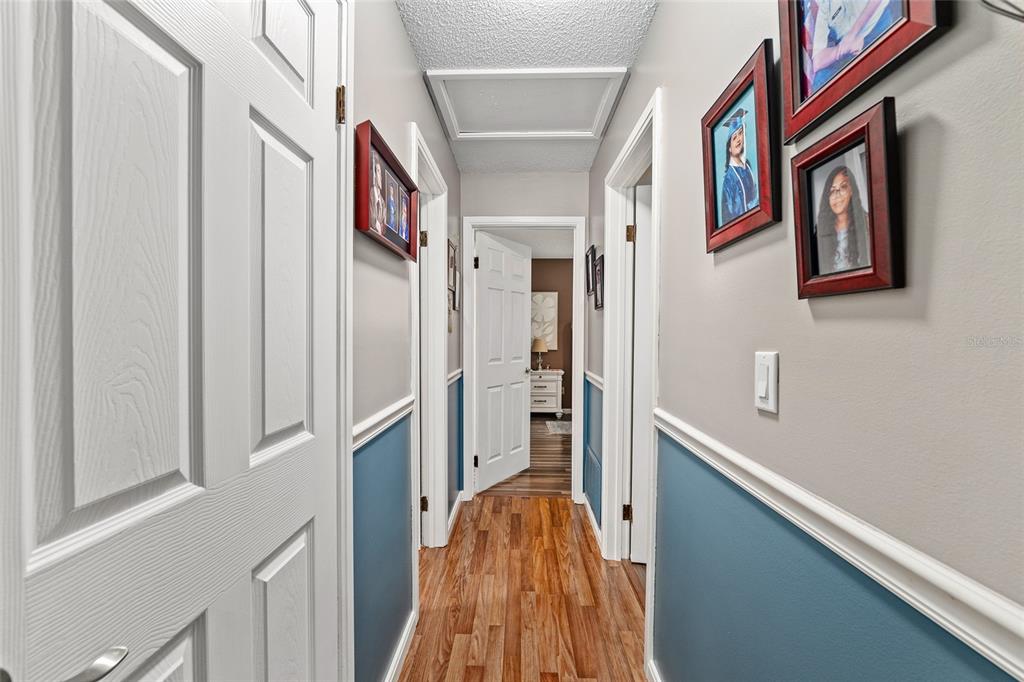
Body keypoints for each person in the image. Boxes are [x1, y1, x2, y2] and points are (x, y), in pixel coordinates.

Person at [806, 0, 900, 94]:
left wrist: (852, 34)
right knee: (820, 82)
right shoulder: (824, 5)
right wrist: (842, 48)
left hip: (875, 27)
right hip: (848, 48)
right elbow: (817, 62)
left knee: (881, 76)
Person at [814, 165, 871, 275]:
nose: (837, 196)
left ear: (851, 191)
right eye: (832, 191)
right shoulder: (820, 230)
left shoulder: (867, 222)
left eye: (843, 187)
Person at [719, 108, 758, 225]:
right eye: (734, 137)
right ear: (729, 148)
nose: (738, 140)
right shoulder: (729, 180)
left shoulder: (748, 167)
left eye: (740, 133)